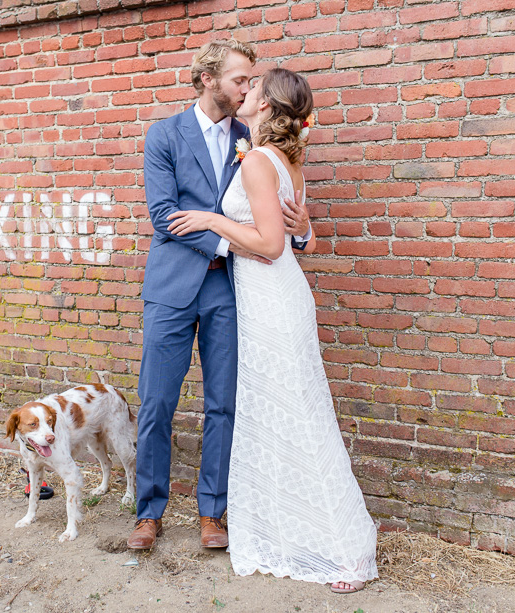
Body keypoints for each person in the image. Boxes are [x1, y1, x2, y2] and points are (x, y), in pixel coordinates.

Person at [167, 68, 379, 593]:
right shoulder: (286, 159)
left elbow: (270, 245)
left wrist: (211, 220)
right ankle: (289, 532)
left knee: (300, 420)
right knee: (282, 416)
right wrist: (301, 226)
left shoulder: (260, 160)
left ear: (266, 107)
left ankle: (343, 551)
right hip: (270, 300)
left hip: (272, 299)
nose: (245, 92)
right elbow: (291, 228)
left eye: (253, 88)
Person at [130, 41, 312, 551]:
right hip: (171, 287)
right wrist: (229, 242)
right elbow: (163, 214)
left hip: (228, 292)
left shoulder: (251, 139)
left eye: (251, 81)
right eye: (239, 79)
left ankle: (214, 511)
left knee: (223, 404)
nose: (246, 88)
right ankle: (149, 512)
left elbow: (275, 208)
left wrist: (299, 231)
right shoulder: (164, 135)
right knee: (156, 403)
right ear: (208, 79)